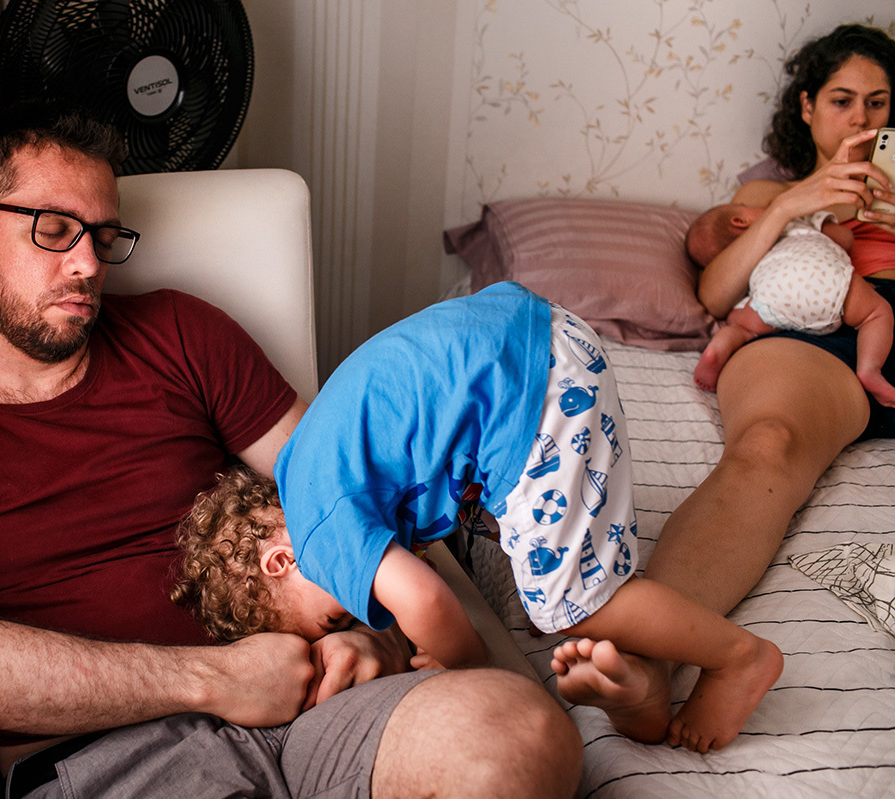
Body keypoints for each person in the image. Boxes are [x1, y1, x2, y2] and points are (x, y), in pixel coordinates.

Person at [0, 100, 582, 799]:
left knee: (521, 735)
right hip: (111, 754)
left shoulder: (180, 332)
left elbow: (357, 496)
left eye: (103, 235)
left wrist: (381, 641)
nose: (89, 264)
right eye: (56, 231)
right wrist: (215, 680)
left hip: (311, 703)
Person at [172, 284, 783, 754]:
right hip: (527, 340)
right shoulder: (305, 465)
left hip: (530, 391)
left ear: (279, 561)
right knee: (534, 559)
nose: (354, 612)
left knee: (567, 603)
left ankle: (738, 657)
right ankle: (641, 685)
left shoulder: (317, 534)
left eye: (330, 615)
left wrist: (465, 667)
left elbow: (429, 602)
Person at [551, 23, 895, 755]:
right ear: (806, 107)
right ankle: (652, 661)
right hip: (816, 330)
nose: (861, 120)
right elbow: (715, 295)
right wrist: (790, 206)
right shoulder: (772, 191)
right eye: (842, 101)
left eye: (877, 103)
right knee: (769, 443)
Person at [686, 204, 895, 405]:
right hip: (826, 280)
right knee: (876, 313)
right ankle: (869, 369)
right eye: (745, 204)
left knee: (741, 327)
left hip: (773, 296)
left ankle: (716, 349)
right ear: (740, 221)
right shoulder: (794, 221)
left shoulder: (746, 263)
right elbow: (845, 238)